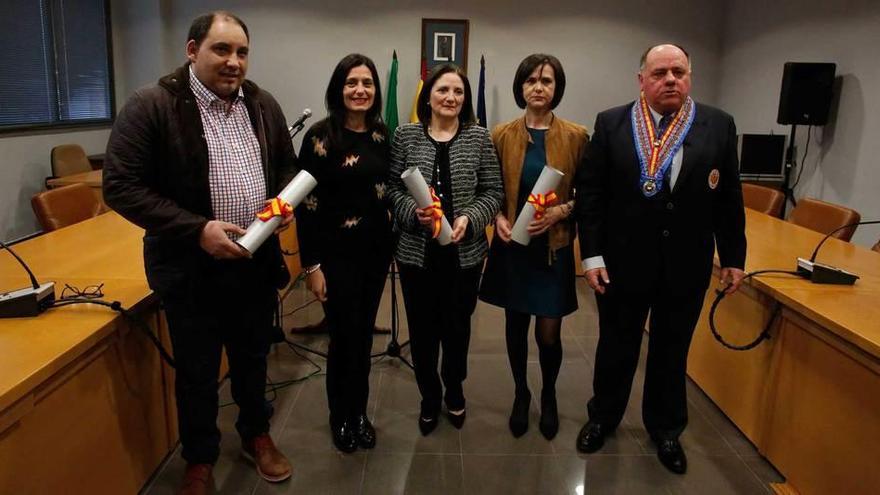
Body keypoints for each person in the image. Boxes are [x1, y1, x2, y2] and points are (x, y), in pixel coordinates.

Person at [103, 11, 295, 494]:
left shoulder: (262, 104)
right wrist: (198, 229)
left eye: (242, 52)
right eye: (222, 50)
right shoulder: (153, 105)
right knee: (197, 372)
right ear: (192, 51)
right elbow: (121, 186)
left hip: (253, 264)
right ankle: (200, 459)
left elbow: (287, 172)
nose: (234, 62)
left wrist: (283, 204)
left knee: (253, 360)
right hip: (191, 270)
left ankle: (256, 435)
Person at [574, 44, 746, 474]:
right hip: (622, 261)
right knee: (617, 345)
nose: (670, 79)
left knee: (672, 351)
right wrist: (591, 255)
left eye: (679, 71)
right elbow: (591, 196)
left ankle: (666, 430)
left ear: (690, 76)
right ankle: (603, 417)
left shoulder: (718, 125)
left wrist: (734, 256)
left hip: (686, 264)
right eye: (660, 73)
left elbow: (729, 198)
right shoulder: (611, 123)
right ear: (641, 80)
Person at [387, 64, 503, 435]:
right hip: (416, 256)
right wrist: (411, 213)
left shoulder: (479, 137)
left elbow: (494, 192)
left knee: (457, 328)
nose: (451, 98)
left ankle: (454, 388)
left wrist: (471, 216)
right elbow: (391, 190)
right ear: (428, 96)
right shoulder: (405, 135)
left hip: (464, 255)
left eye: (458, 92)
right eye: (443, 90)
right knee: (422, 330)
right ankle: (428, 396)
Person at [480, 54, 588, 440]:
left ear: (557, 88)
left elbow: (590, 194)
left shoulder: (577, 136)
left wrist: (561, 211)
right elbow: (489, 190)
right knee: (515, 325)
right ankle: (521, 393)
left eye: (546, 81)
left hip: (552, 250)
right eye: (530, 80)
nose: (538, 87)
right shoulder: (501, 134)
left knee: (548, 334)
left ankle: (549, 392)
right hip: (513, 247)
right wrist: (498, 218)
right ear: (520, 87)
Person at [294, 54, 393, 453]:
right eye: (352, 82)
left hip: (375, 253)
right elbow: (304, 205)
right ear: (339, 88)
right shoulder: (319, 137)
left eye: (367, 83)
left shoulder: (384, 136)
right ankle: (340, 416)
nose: (360, 90)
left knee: (363, 337)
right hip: (334, 257)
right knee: (343, 338)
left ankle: (360, 414)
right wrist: (312, 266)